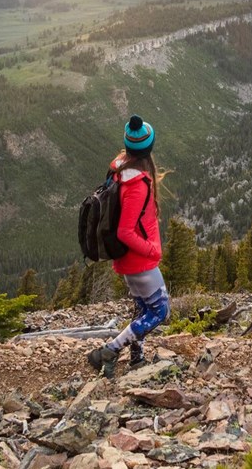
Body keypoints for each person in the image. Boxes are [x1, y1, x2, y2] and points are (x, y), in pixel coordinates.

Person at [87, 115, 170, 377]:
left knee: (143, 309)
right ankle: (110, 350)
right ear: (149, 149)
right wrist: (152, 250)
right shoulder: (137, 185)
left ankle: (137, 358)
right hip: (139, 261)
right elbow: (125, 231)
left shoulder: (121, 173)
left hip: (128, 261)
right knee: (161, 311)